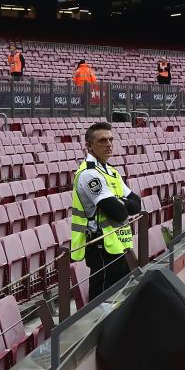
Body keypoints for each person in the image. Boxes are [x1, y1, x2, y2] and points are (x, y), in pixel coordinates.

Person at [70, 122, 141, 301]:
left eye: (110, 139)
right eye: (102, 140)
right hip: (101, 246)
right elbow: (119, 213)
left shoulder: (111, 172)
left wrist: (119, 202)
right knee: (102, 301)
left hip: (120, 243)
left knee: (118, 299)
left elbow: (137, 204)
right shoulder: (89, 174)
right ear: (89, 146)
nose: (109, 144)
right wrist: (122, 203)